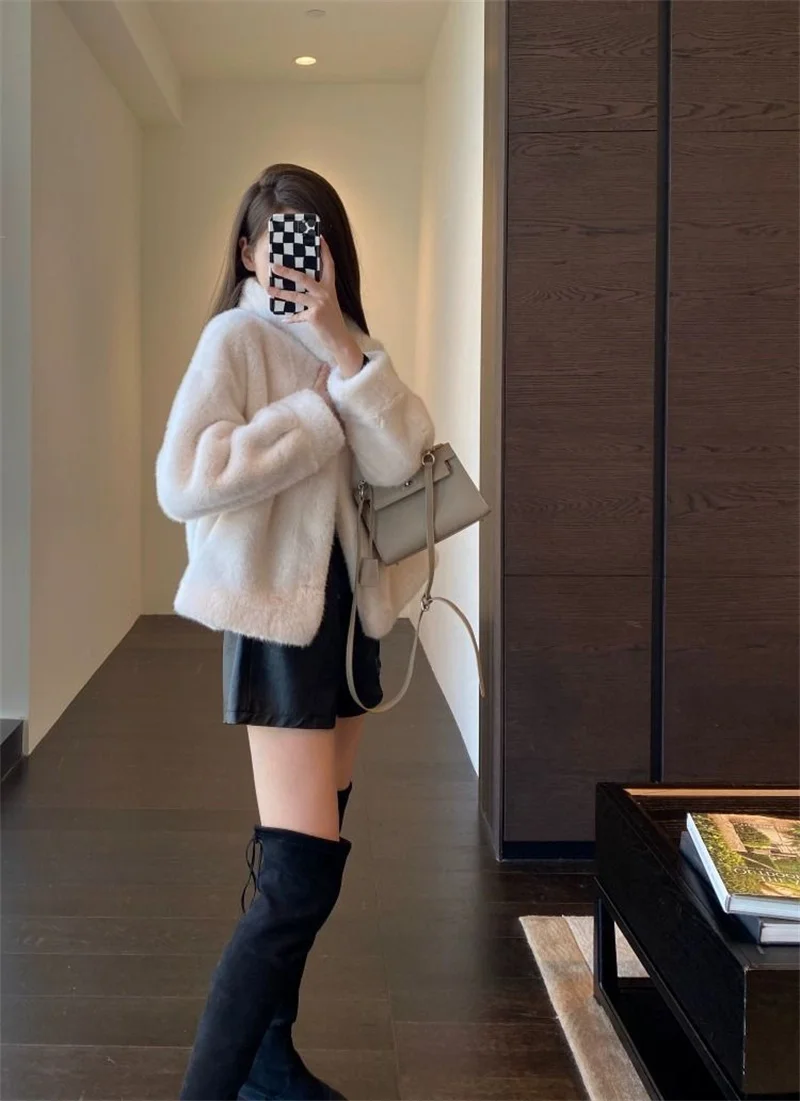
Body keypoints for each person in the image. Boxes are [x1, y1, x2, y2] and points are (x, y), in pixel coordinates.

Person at [155, 163, 435, 1101]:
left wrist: (345, 355)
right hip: (278, 621)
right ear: (248, 251)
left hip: (350, 621)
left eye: (312, 239)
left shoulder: (354, 344)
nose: (296, 257)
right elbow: (186, 477)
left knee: (305, 849)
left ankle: (270, 1062)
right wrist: (315, 413)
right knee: (300, 877)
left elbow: (404, 463)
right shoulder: (234, 339)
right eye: (279, 239)